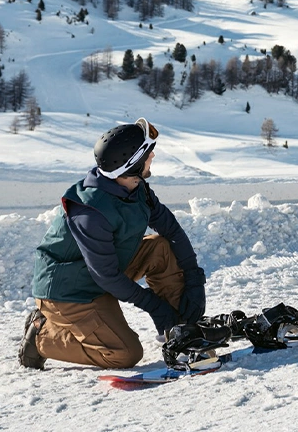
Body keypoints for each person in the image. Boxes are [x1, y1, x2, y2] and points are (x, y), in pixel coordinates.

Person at [18, 118, 207, 370]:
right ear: (133, 164)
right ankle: (42, 335)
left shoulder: (135, 187)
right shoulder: (90, 213)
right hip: (69, 293)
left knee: (161, 248)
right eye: (149, 153)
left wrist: (194, 278)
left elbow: (171, 229)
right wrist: (154, 305)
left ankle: (178, 330)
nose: (153, 156)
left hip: (101, 273)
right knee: (124, 354)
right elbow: (107, 277)